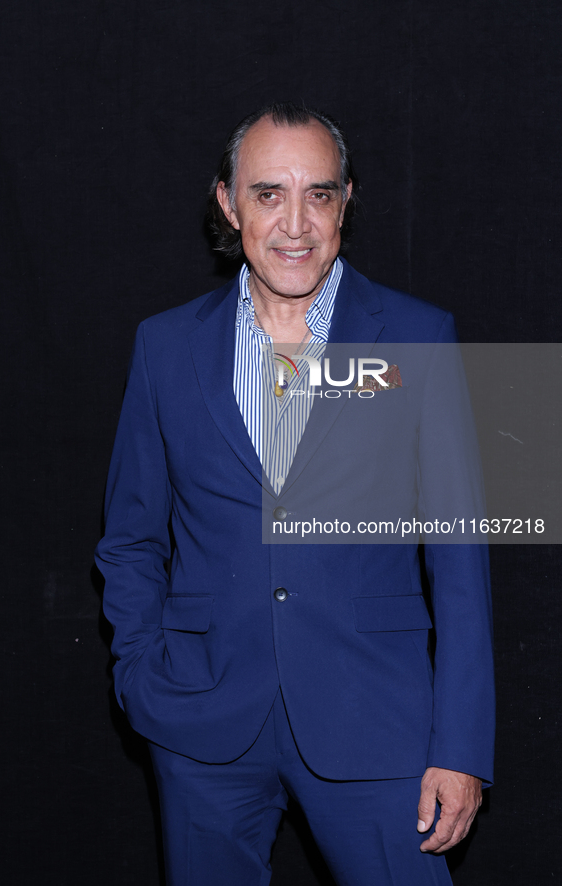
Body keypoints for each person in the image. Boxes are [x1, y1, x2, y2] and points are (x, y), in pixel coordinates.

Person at [95, 102, 494, 886]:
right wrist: (140, 677)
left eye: (318, 193)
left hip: (376, 723)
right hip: (202, 724)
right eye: (268, 193)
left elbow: (459, 557)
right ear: (226, 202)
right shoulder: (164, 345)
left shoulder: (418, 335)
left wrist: (461, 747)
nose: (295, 223)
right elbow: (132, 536)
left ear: (345, 201)